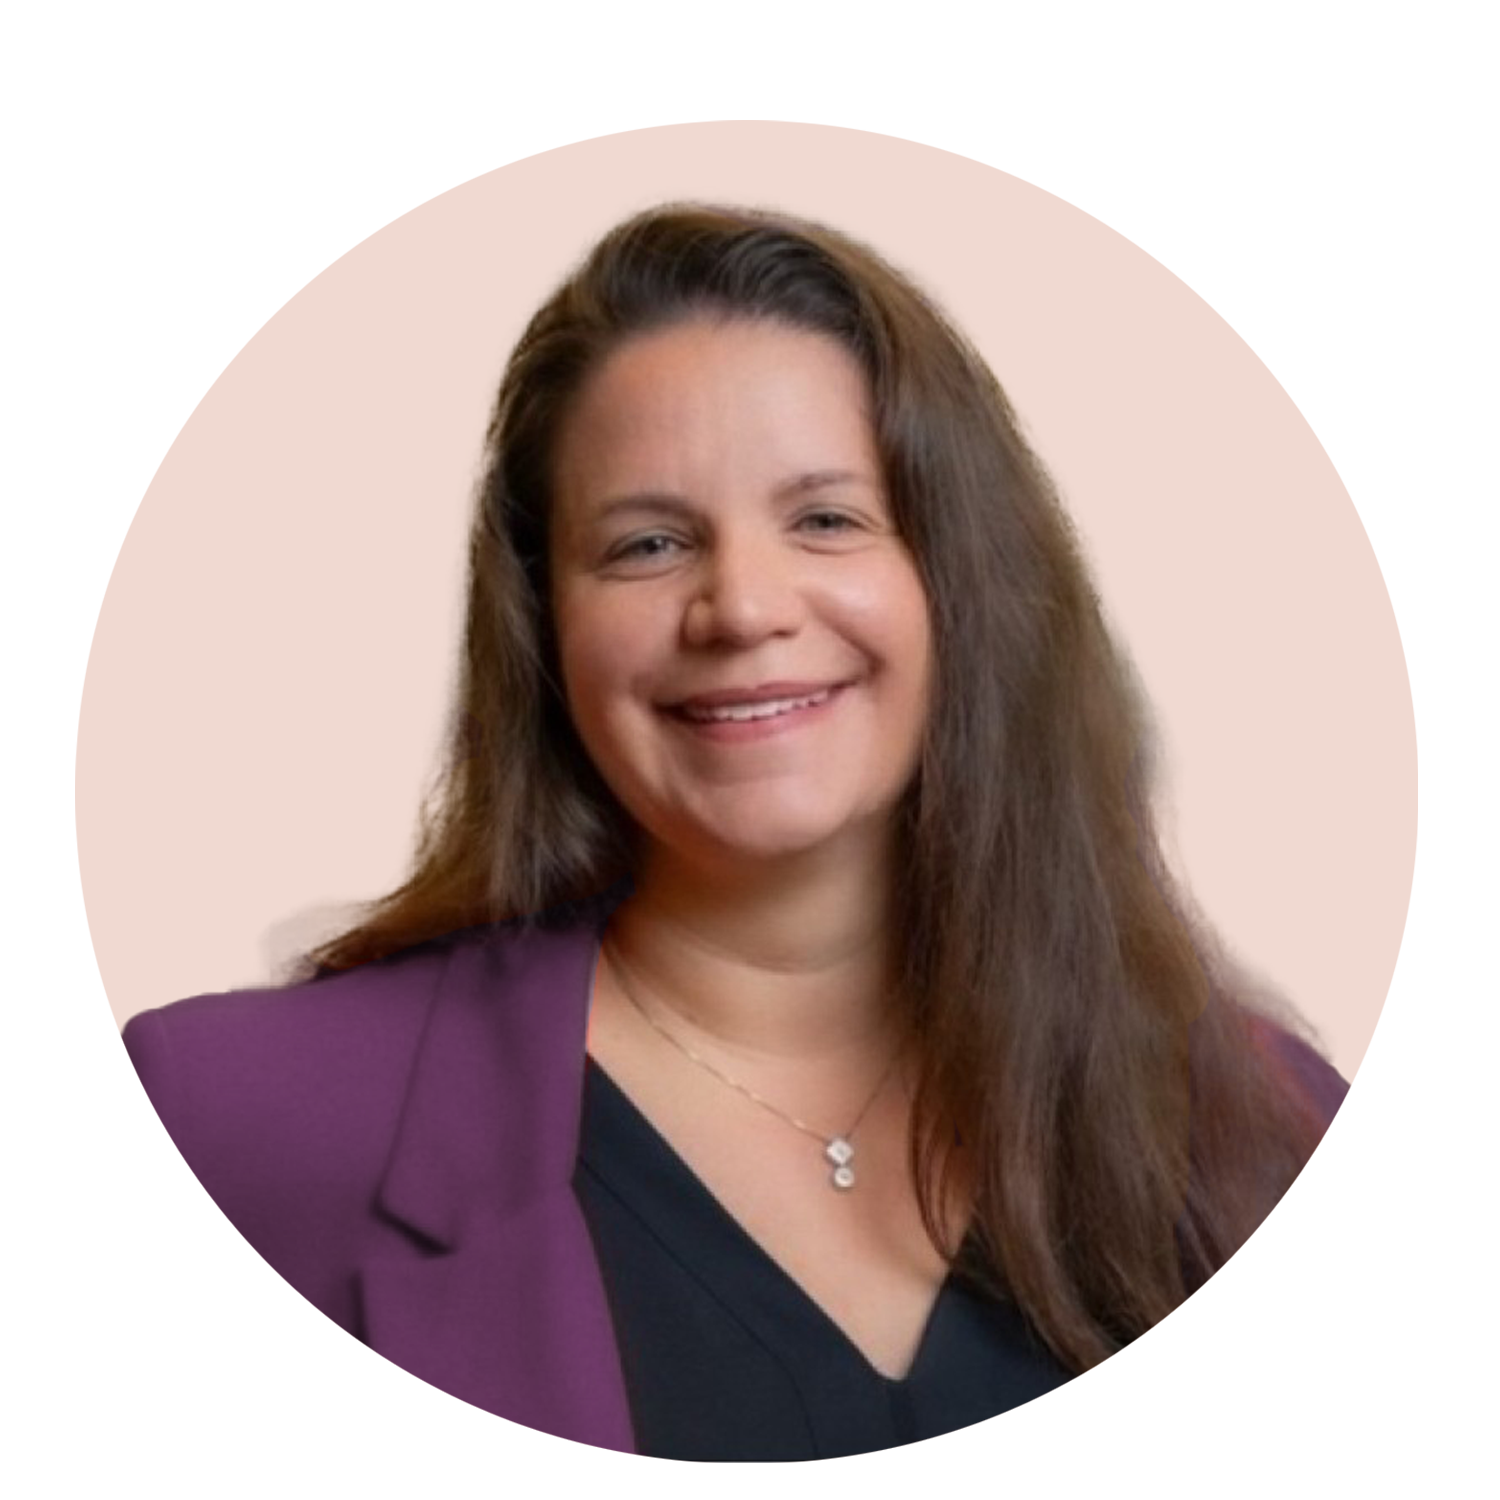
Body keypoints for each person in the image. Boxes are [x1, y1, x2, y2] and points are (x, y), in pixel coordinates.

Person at [123, 203, 1348, 1462]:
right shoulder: (223, 1130)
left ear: (963, 582)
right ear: (548, 631)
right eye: (647, 544)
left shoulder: (1267, 1135)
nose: (743, 606)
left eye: (826, 518)